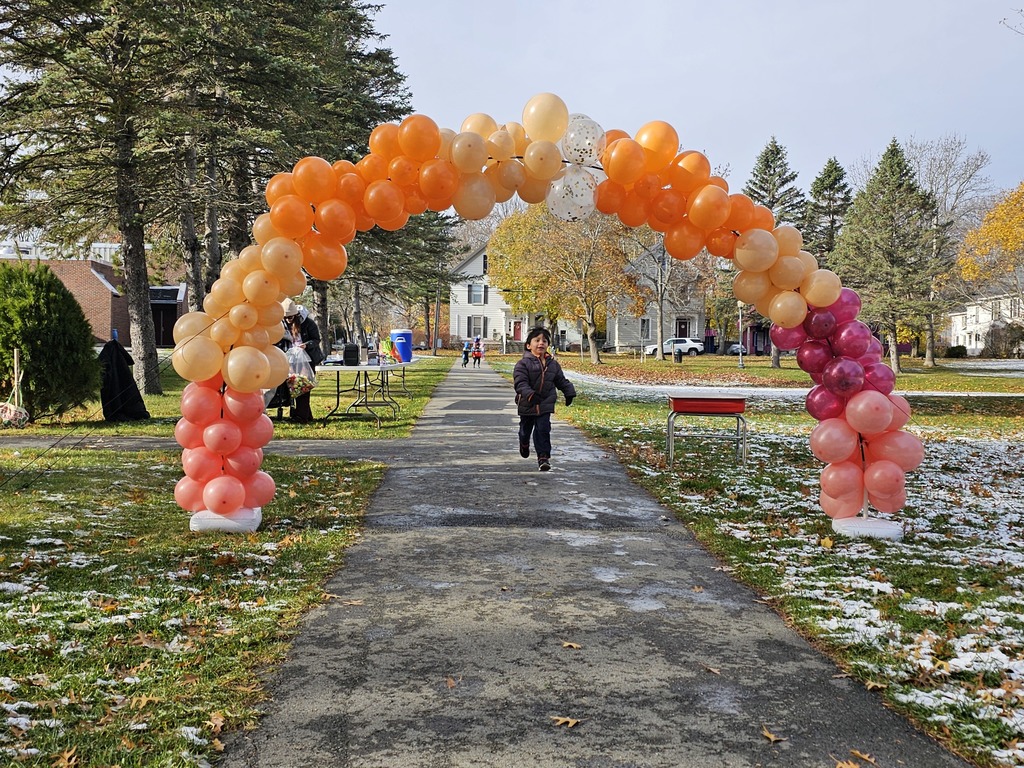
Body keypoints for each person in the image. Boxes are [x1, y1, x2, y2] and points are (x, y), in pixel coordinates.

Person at [513, 327, 576, 472]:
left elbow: (560, 380)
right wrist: (530, 394)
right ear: (529, 345)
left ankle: (543, 457)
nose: (541, 343)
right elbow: (520, 383)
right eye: (537, 340)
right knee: (525, 430)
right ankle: (524, 442)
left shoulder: (552, 364)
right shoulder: (522, 364)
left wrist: (569, 392)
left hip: (545, 402)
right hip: (528, 403)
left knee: (543, 429)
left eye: (544, 340)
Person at [279, 298, 323, 423]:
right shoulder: (283, 324)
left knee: (303, 386)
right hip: (291, 358)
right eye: (286, 317)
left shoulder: (308, 323)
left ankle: (302, 416)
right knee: (295, 386)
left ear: (296, 315)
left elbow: (316, 339)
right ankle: (304, 414)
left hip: (306, 359)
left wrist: (306, 345)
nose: (288, 319)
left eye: (290, 317)